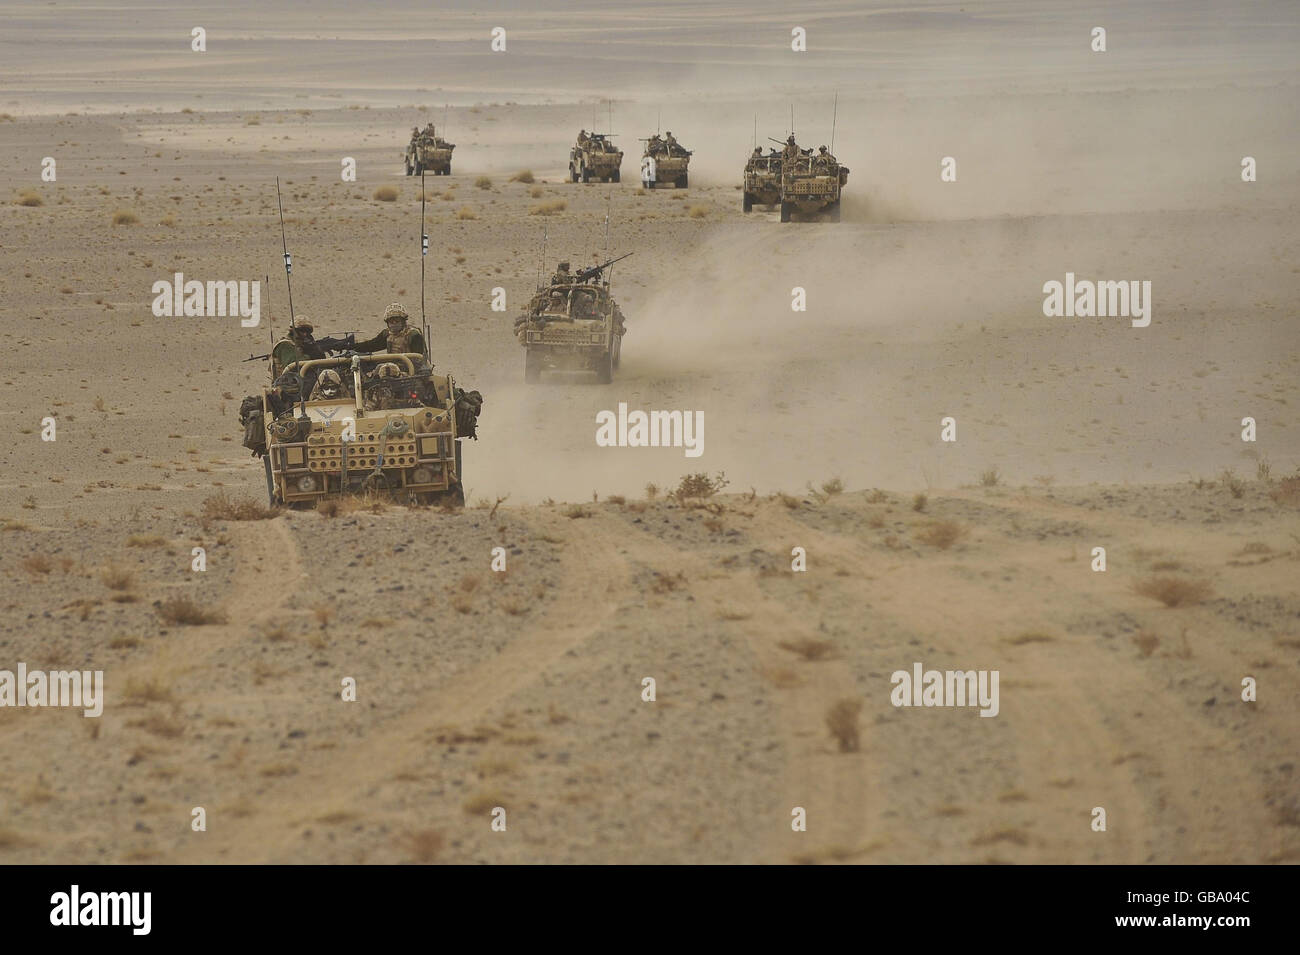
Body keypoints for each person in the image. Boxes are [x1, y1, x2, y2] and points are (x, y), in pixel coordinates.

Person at [354, 303, 426, 357]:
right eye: (391, 322)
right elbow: (371, 345)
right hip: (392, 368)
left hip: (412, 370)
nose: (394, 324)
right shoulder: (387, 334)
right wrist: (351, 346)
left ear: (403, 321)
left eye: (397, 321)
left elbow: (419, 359)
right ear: (387, 323)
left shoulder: (413, 335)